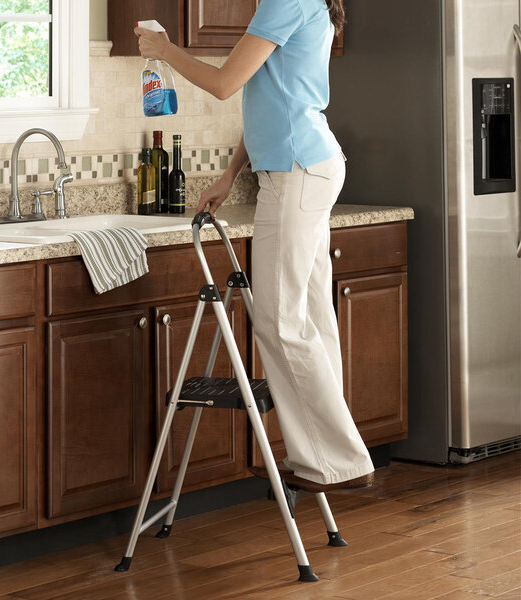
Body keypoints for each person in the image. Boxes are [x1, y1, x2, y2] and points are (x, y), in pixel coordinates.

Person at [134, 0, 375, 492]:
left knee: (280, 321)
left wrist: (164, 49)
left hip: (296, 173)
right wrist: (229, 175)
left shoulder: (287, 0)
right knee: (307, 316)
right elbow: (269, 98)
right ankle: (329, 455)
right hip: (304, 165)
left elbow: (225, 85)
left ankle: (337, 460)